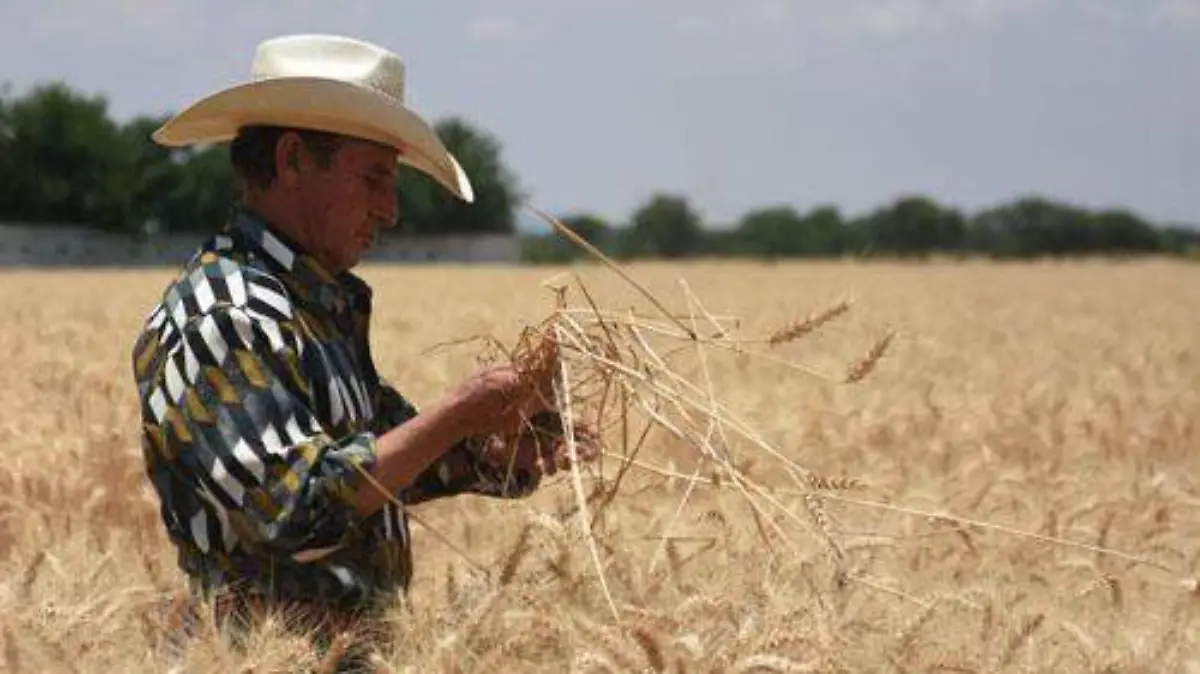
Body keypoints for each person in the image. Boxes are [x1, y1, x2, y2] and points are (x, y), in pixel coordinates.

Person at [131, 33, 597, 666]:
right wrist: (464, 407)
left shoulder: (312, 307)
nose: (392, 210)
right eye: (374, 177)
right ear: (293, 160)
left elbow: (388, 465)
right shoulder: (226, 314)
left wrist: (505, 446)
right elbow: (293, 510)